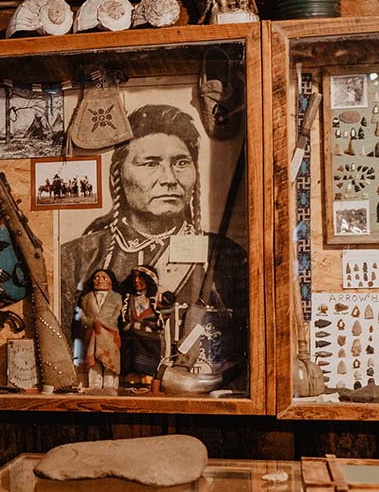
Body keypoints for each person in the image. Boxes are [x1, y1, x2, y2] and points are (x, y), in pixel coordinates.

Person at [59, 104, 248, 362]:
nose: (169, 178)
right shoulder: (77, 258)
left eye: (181, 163)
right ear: (119, 176)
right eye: (150, 164)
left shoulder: (226, 256)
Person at [120, 265, 163, 386]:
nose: (136, 280)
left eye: (141, 277)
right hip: (130, 344)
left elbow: (162, 320)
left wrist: (142, 326)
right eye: (135, 277)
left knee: (147, 377)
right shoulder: (128, 299)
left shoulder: (156, 299)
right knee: (131, 378)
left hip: (149, 343)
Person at [79, 269, 122, 388]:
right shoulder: (86, 298)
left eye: (104, 277)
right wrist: (92, 322)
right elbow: (82, 317)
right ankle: (94, 389)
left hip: (109, 339)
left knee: (110, 368)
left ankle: (110, 390)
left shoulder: (116, 297)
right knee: (94, 368)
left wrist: (101, 323)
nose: (100, 280)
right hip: (91, 337)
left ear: (111, 281)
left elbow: (117, 317)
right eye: (96, 277)